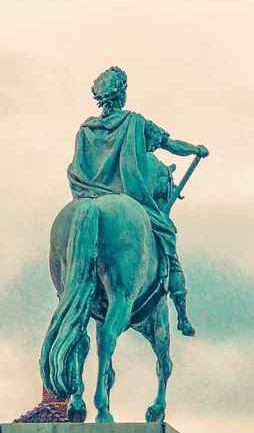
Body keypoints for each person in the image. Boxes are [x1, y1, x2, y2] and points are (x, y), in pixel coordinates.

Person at [67, 66, 208, 338]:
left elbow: (77, 169)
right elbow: (170, 144)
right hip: (129, 199)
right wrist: (196, 149)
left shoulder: (85, 131)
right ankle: (181, 312)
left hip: (87, 197)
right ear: (122, 94)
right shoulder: (134, 122)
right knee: (167, 235)